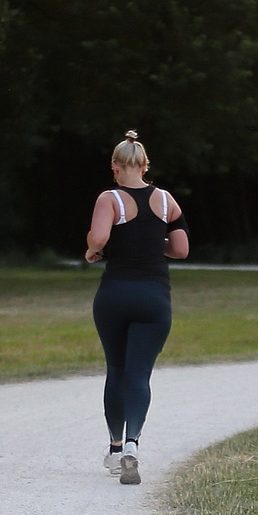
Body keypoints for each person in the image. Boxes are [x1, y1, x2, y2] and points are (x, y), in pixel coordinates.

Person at [85, 130, 188, 483]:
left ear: (115, 165)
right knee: (139, 373)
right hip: (154, 298)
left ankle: (114, 449)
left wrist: (91, 249)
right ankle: (132, 444)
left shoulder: (109, 198)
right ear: (145, 165)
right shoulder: (165, 200)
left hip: (115, 295)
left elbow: (99, 238)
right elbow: (181, 249)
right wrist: (150, 244)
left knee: (116, 370)